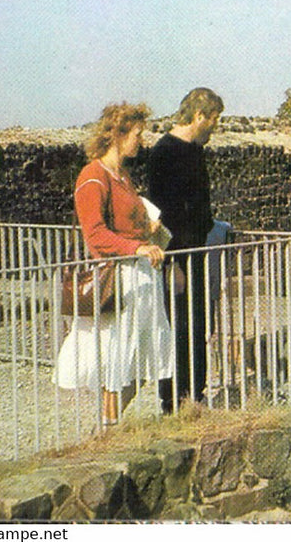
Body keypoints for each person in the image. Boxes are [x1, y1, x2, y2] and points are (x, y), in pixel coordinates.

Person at [54, 103, 174, 426]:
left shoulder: (122, 176)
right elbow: (95, 234)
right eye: (137, 134)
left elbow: (123, 222)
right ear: (117, 135)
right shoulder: (93, 176)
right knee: (119, 359)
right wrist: (136, 246)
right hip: (120, 276)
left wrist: (146, 228)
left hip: (141, 274)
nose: (141, 142)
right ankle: (108, 429)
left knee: (142, 357)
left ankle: (109, 426)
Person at [147, 87, 223, 414]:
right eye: (214, 119)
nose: (215, 126)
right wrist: (172, 263)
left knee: (197, 323)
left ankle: (195, 394)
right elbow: (162, 214)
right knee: (176, 326)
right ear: (199, 115)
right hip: (177, 255)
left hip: (196, 250)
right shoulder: (164, 153)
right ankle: (173, 400)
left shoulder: (195, 151)